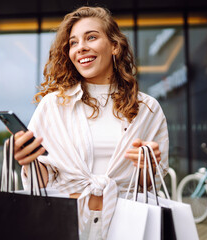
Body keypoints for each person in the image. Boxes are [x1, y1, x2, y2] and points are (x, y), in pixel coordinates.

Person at [13, 6, 169, 240]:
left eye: (91, 37)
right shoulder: (53, 106)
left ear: (115, 46)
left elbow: (150, 184)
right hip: (65, 223)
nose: (81, 47)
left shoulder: (147, 108)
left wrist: (148, 165)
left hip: (127, 226)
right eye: (73, 42)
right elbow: (41, 180)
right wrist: (28, 160)